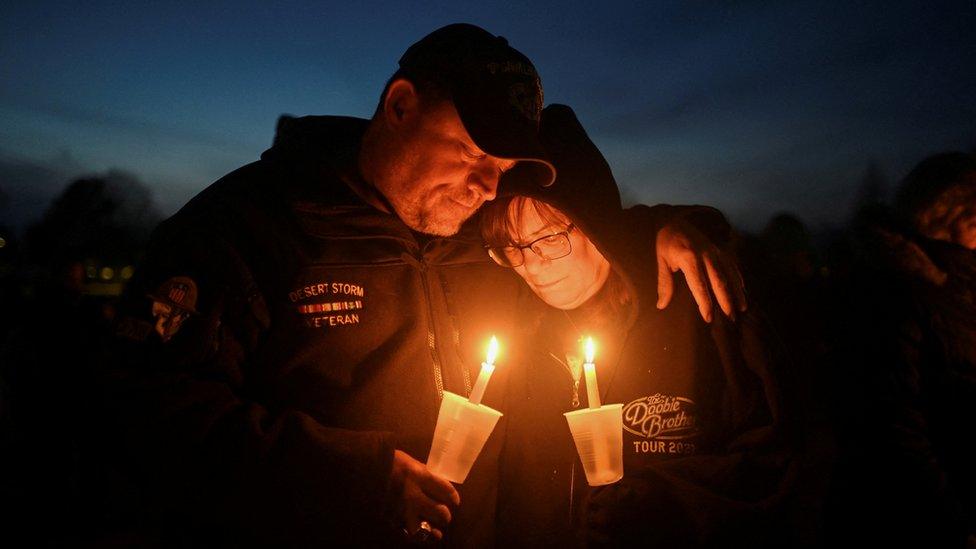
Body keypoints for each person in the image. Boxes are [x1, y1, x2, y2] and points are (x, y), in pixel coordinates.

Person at [102, 24, 744, 546]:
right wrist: (353, 481)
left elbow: (575, 233)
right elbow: (145, 408)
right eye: (471, 153)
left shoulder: (479, 235)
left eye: (505, 168)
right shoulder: (249, 227)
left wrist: (659, 229)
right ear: (400, 104)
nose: (488, 187)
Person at [484, 105, 798, 547]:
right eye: (510, 248)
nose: (532, 265)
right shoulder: (513, 332)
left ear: (595, 223)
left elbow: (777, 464)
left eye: (551, 238)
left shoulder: (698, 311)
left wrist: (664, 505)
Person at [827, 152, 976, 547]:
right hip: (918, 522)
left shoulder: (957, 290)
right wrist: (957, 522)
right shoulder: (896, 297)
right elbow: (892, 429)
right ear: (959, 221)